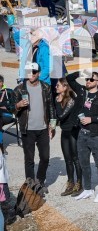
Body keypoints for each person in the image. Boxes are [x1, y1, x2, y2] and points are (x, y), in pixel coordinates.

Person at [67, 70, 98, 202]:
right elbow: (69, 79)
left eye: (91, 79)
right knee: (84, 163)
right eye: (87, 79)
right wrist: (81, 71)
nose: (88, 81)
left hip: (96, 135)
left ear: (97, 81)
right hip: (82, 133)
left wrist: (91, 119)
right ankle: (87, 189)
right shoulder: (82, 91)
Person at [13, 63, 56, 191]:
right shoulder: (19, 89)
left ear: (39, 73)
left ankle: (40, 182)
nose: (31, 74)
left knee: (45, 157)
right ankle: (31, 186)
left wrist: (52, 125)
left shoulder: (46, 87)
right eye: (29, 72)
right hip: (27, 129)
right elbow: (12, 109)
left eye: (34, 72)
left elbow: (51, 107)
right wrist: (18, 105)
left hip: (43, 128)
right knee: (29, 160)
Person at [55, 77, 82, 197]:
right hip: (64, 132)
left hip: (73, 131)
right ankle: (70, 183)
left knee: (75, 158)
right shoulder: (57, 98)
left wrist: (57, 103)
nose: (56, 87)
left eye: (58, 85)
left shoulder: (72, 99)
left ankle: (79, 184)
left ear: (65, 87)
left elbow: (61, 116)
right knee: (67, 159)